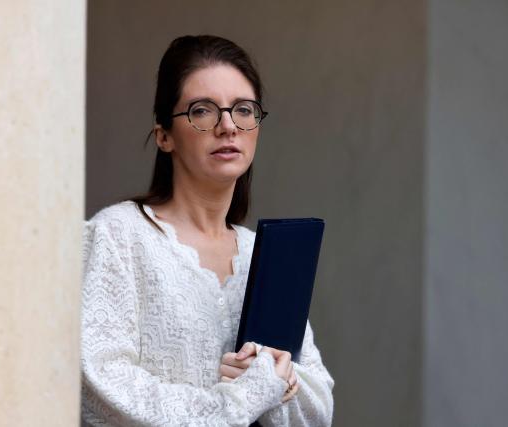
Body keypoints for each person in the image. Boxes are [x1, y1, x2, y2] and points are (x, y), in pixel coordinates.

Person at [80, 35, 334, 426]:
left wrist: (277, 379)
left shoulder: (265, 254)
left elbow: (318, 409)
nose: (228, 126)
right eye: (202, 111)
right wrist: (245, 396)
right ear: (164, 135)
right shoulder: (118, 235)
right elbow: (101, 388)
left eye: (244, 110)